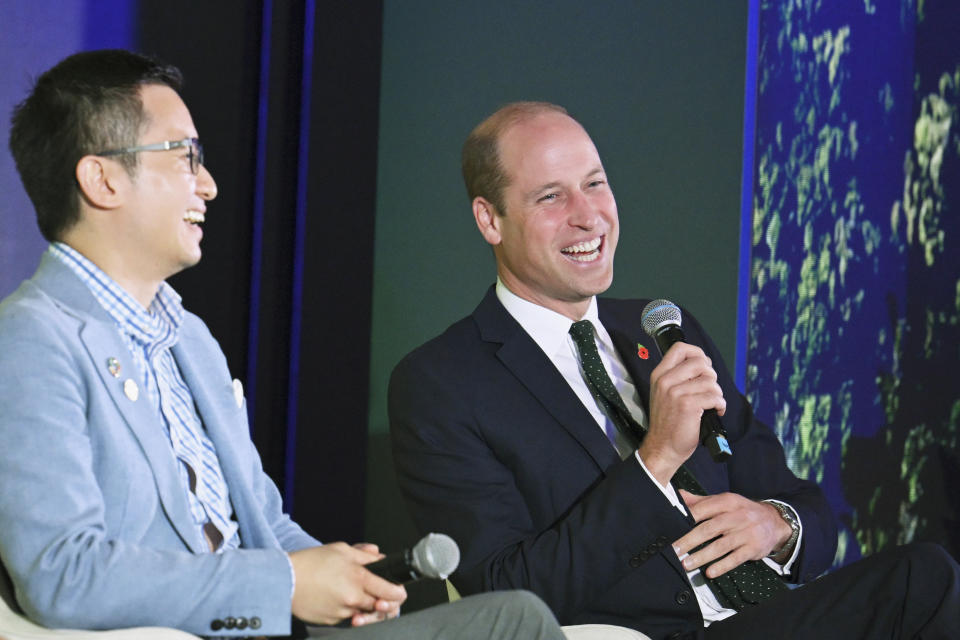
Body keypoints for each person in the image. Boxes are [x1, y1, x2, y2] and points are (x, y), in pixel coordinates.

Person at [0, 50, 566, 640]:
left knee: (514, 615)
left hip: (268, 628)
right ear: (103, 179)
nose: (209, 185)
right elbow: (63, 572)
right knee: (514, 623)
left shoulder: (188, 338)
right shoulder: (31, 338)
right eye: (184, 156)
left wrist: (341, 576)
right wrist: (286, 586)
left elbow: (262, 523)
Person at [388, 102, 960, 639]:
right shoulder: (443, 382)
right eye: (550, 198)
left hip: (766, 612)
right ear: (490, 220)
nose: (588, 217)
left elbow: (800, 502)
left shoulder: (660, 327)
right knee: (921, 582)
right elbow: (505, 593)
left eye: (595, 184)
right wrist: (655, 459)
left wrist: (777, 526)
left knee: (923, 578)